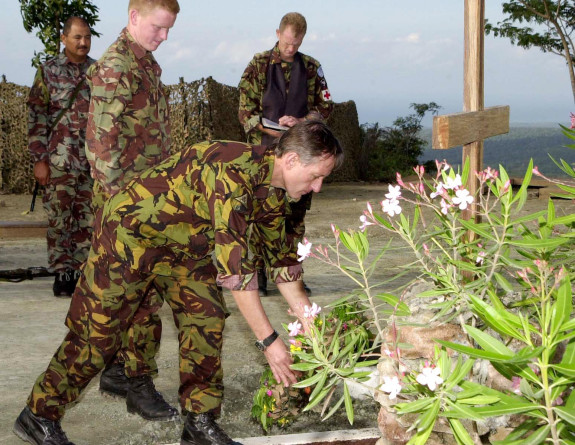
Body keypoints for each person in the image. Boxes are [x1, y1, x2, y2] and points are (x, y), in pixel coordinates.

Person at [13, 120, 343, 445]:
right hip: (130, 234)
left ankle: (199, 423)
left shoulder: (279, 191)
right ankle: (39, 415)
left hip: (185, 245)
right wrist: (269, 343)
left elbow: (284, 264)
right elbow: (239, 278)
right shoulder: (232, 175)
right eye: (316, 177)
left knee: (206, 316)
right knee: (98, 334)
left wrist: (311, 328)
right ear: (291, 160)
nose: (318, 188)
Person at [84, 0, 180, 423]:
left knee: (127, 293)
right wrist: (128, 211)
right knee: (143, 297)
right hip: (127, 205)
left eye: (168, 29)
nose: (163, 37)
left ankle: (118, 370)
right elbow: (100, 148)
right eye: (158, 28)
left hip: (145, 198)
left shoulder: (143, 62)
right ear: (134, 17)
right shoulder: (117, 66)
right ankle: (139, 386)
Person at [238, 12, 333, 297]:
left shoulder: (313, 68)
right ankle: (259, 276)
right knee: (259, 214)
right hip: (265, 153)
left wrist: (303, 123)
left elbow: (326, 107)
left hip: (301, 156)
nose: (290, 48)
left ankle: (292, 275)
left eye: (296, 43)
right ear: (278, 33)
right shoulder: (258, 65)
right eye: (286, 42)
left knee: (294, 216)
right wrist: (268, 129)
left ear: (302, 39)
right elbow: (245, 109)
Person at [27, 16, 95, 298]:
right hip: (58, 161)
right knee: (59, 219)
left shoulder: (98, 71)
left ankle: (81, 271)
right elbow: (36, 115)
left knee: (87, 219)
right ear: (64, 38)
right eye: (77, 37)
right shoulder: (48, 71)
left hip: (91, 163)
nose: (83, 42)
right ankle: (62, 272)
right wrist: (39, 159)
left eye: (87, 37)